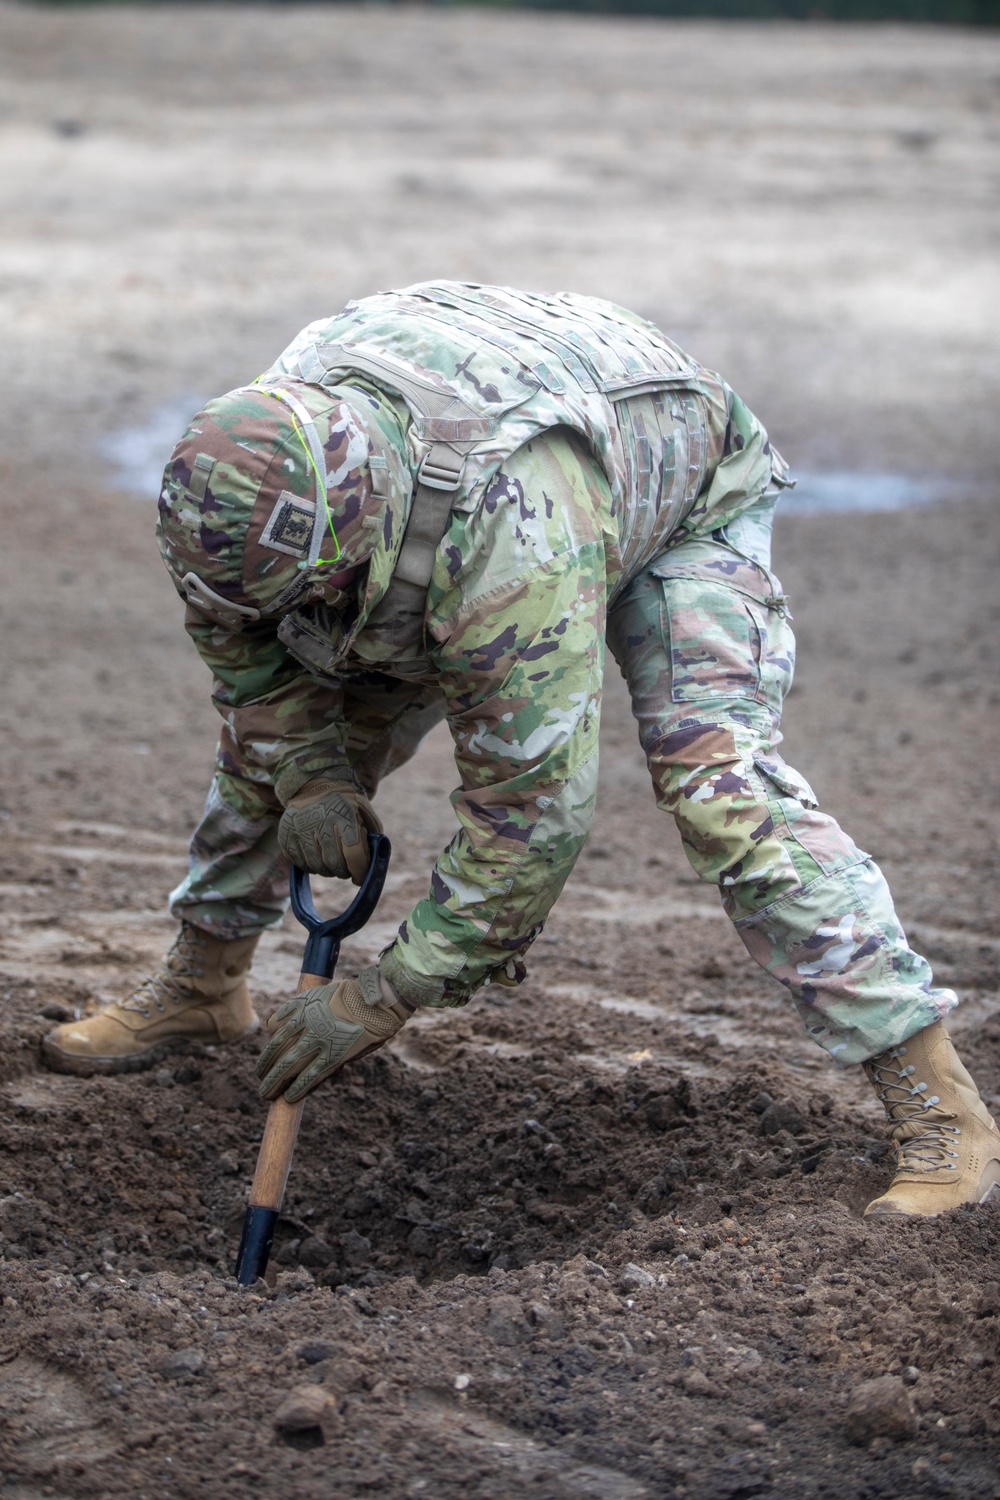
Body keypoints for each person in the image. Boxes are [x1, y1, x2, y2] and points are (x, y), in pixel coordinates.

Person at [42, 281, 999, 1219]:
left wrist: (389, 991)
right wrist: (307, 769)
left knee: (719, 785)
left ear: (352, 537)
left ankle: (938, 1104)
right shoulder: (249, 470)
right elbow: (243, 643)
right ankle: (203, 985)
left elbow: (532, 814)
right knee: (273, 745)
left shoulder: (511, 544)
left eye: (307, 593)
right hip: (449, 494)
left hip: (664, 497)